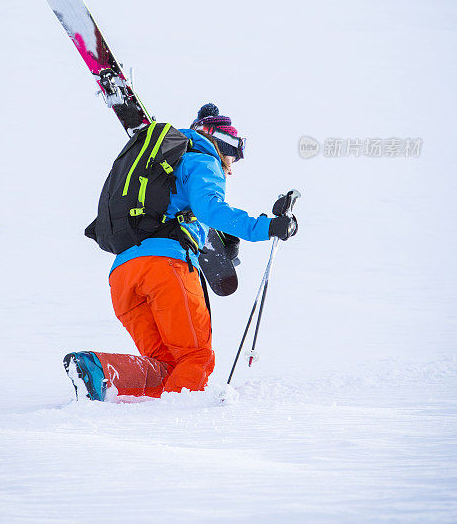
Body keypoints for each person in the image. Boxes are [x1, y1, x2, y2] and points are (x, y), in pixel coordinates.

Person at [64, 103, 298, 400]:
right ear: (220, 140)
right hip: (165, 268)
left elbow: (189, 211)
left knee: (166, 367)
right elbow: (210, 209)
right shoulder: (203, 160)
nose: (234, 161)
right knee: (196, 357)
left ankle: (96, 368)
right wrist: (265, 228)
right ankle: (174, 424)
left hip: (123, 274)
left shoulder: (166, 165)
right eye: (235, 150)